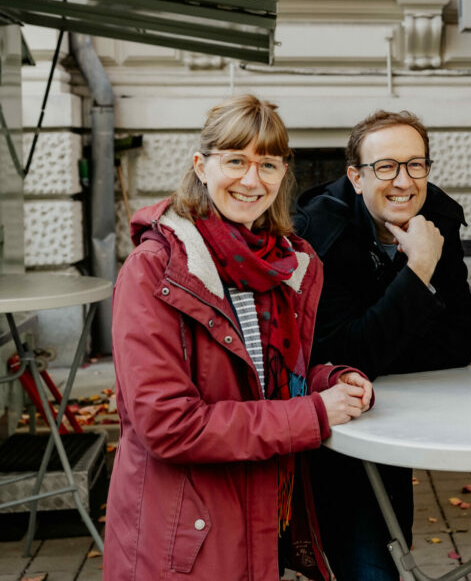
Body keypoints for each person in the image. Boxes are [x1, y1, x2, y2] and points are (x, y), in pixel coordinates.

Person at [104, 95, 374, 581]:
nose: (252, 180)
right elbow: (168, 423)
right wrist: (313, 414)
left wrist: (328, 382)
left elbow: (267, 382)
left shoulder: (282, 264)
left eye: (267, 164)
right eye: (235, 161)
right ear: (201, 166)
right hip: (183, 535)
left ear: (283, 173)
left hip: (256, 513)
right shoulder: (154, 270)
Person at [294, 109, 471, 579]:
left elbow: (457, 346)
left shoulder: (438, 218)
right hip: (341, 432)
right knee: (367, 558)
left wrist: (377, 342)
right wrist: (418, 269)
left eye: (416, 165)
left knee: (392, 545)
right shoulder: (320, 232)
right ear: (357, 177)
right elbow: (340, 356)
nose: (404, 181)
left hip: (402, 415)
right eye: (386, 166)